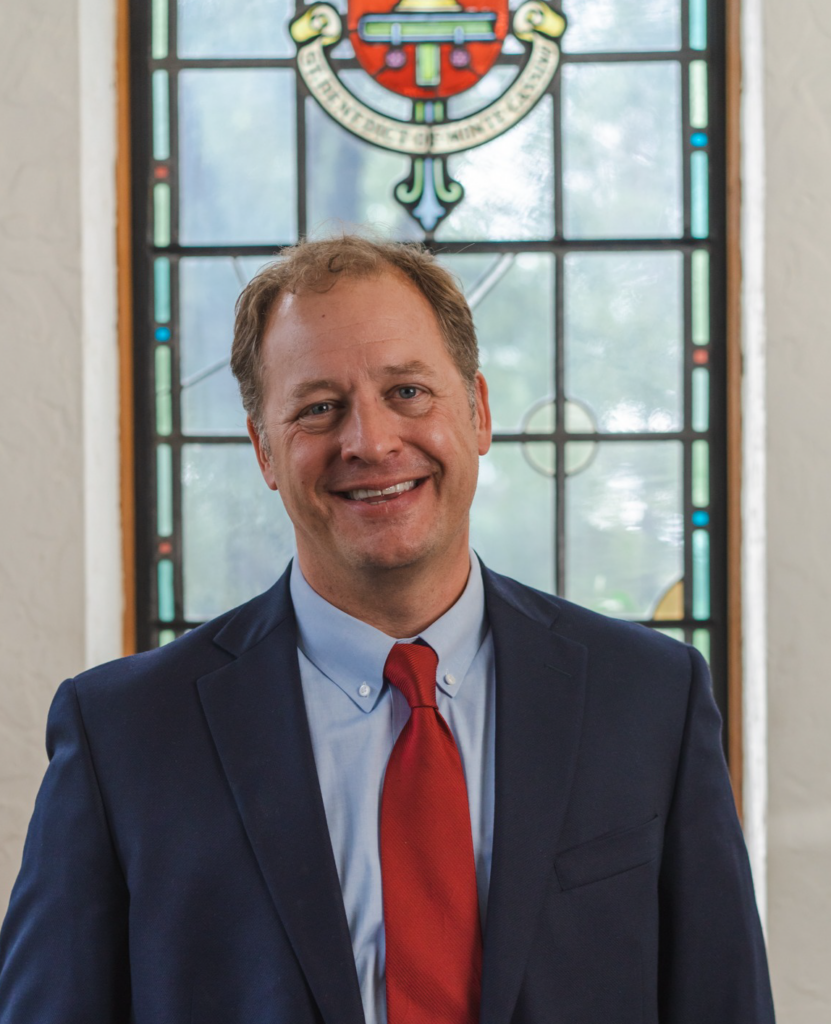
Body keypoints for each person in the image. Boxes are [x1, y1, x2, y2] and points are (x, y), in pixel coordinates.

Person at [0, 236, 774, 1024]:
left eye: (406, 392)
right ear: (264, 449)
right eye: (318, 408)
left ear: (476, 412)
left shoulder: (649, 697)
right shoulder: (122, 734)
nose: (369, 441)